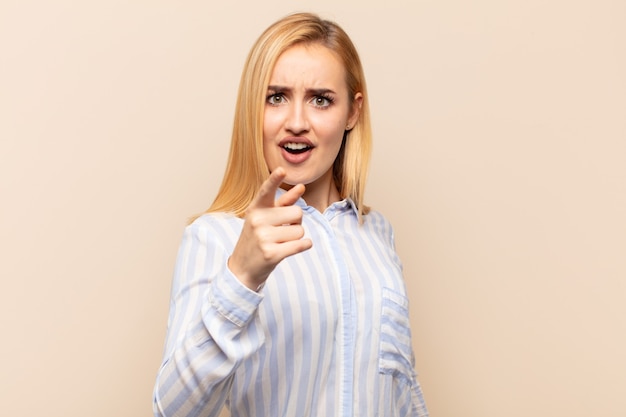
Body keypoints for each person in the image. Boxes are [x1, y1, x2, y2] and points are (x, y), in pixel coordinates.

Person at [153, 12, 428, 417]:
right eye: (276, 97)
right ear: (254, 109)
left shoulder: (377, 234)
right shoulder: (216, 236)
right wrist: (242, 276)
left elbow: (402, 390)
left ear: (352, 113)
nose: (296, 123)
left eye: (321, 99)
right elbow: (172, 410)